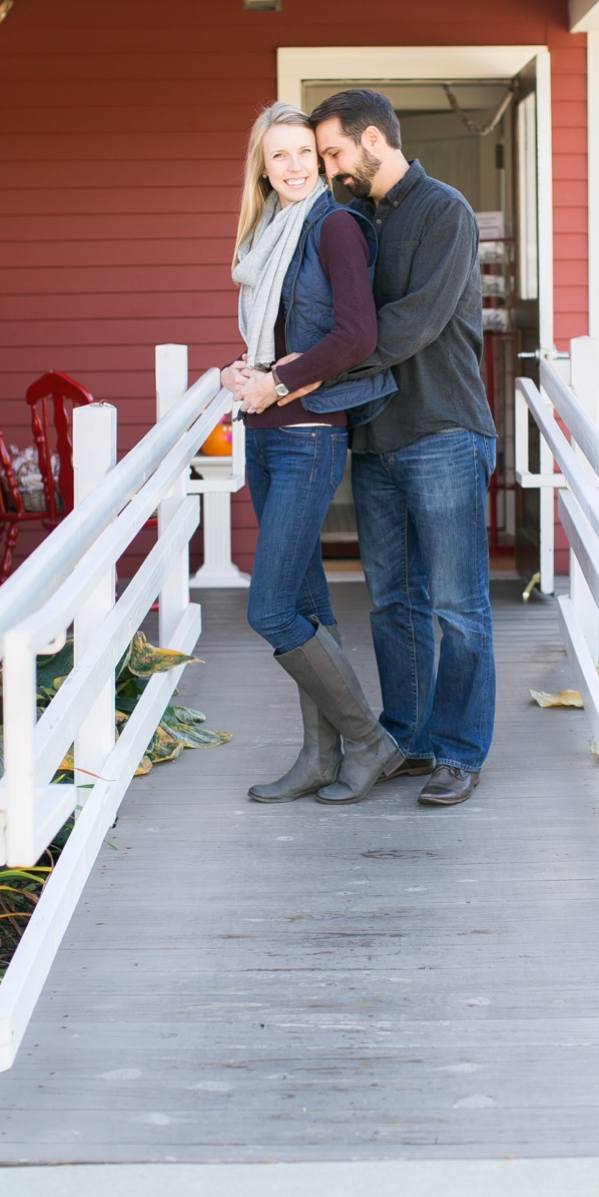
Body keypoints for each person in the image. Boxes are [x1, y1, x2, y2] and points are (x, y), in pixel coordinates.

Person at [310, 88, 499, 808]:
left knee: (457, 603)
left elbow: (411, 323)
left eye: (334, 152)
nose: (330, 167)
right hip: (376, 438)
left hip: (444, 430)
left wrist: (318, 366)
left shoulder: (445, 210)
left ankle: (458, 750)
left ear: (373, 142)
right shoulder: (354, 219)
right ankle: (410, 738)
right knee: (393, 600)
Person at [219, 104, 402, 806]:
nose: (294, 167)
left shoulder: (333, 227)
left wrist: (280, 380)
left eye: (304, 152)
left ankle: (367, 739)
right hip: (266, 434)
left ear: (321, 160)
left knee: (270, 609)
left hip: (309, 437)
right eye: (279, 158)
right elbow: (286, 335)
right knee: (304, 600)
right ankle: (320, 756)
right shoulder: (270, 235)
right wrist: (249, 371)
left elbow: (356, 335)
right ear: (262, 171)